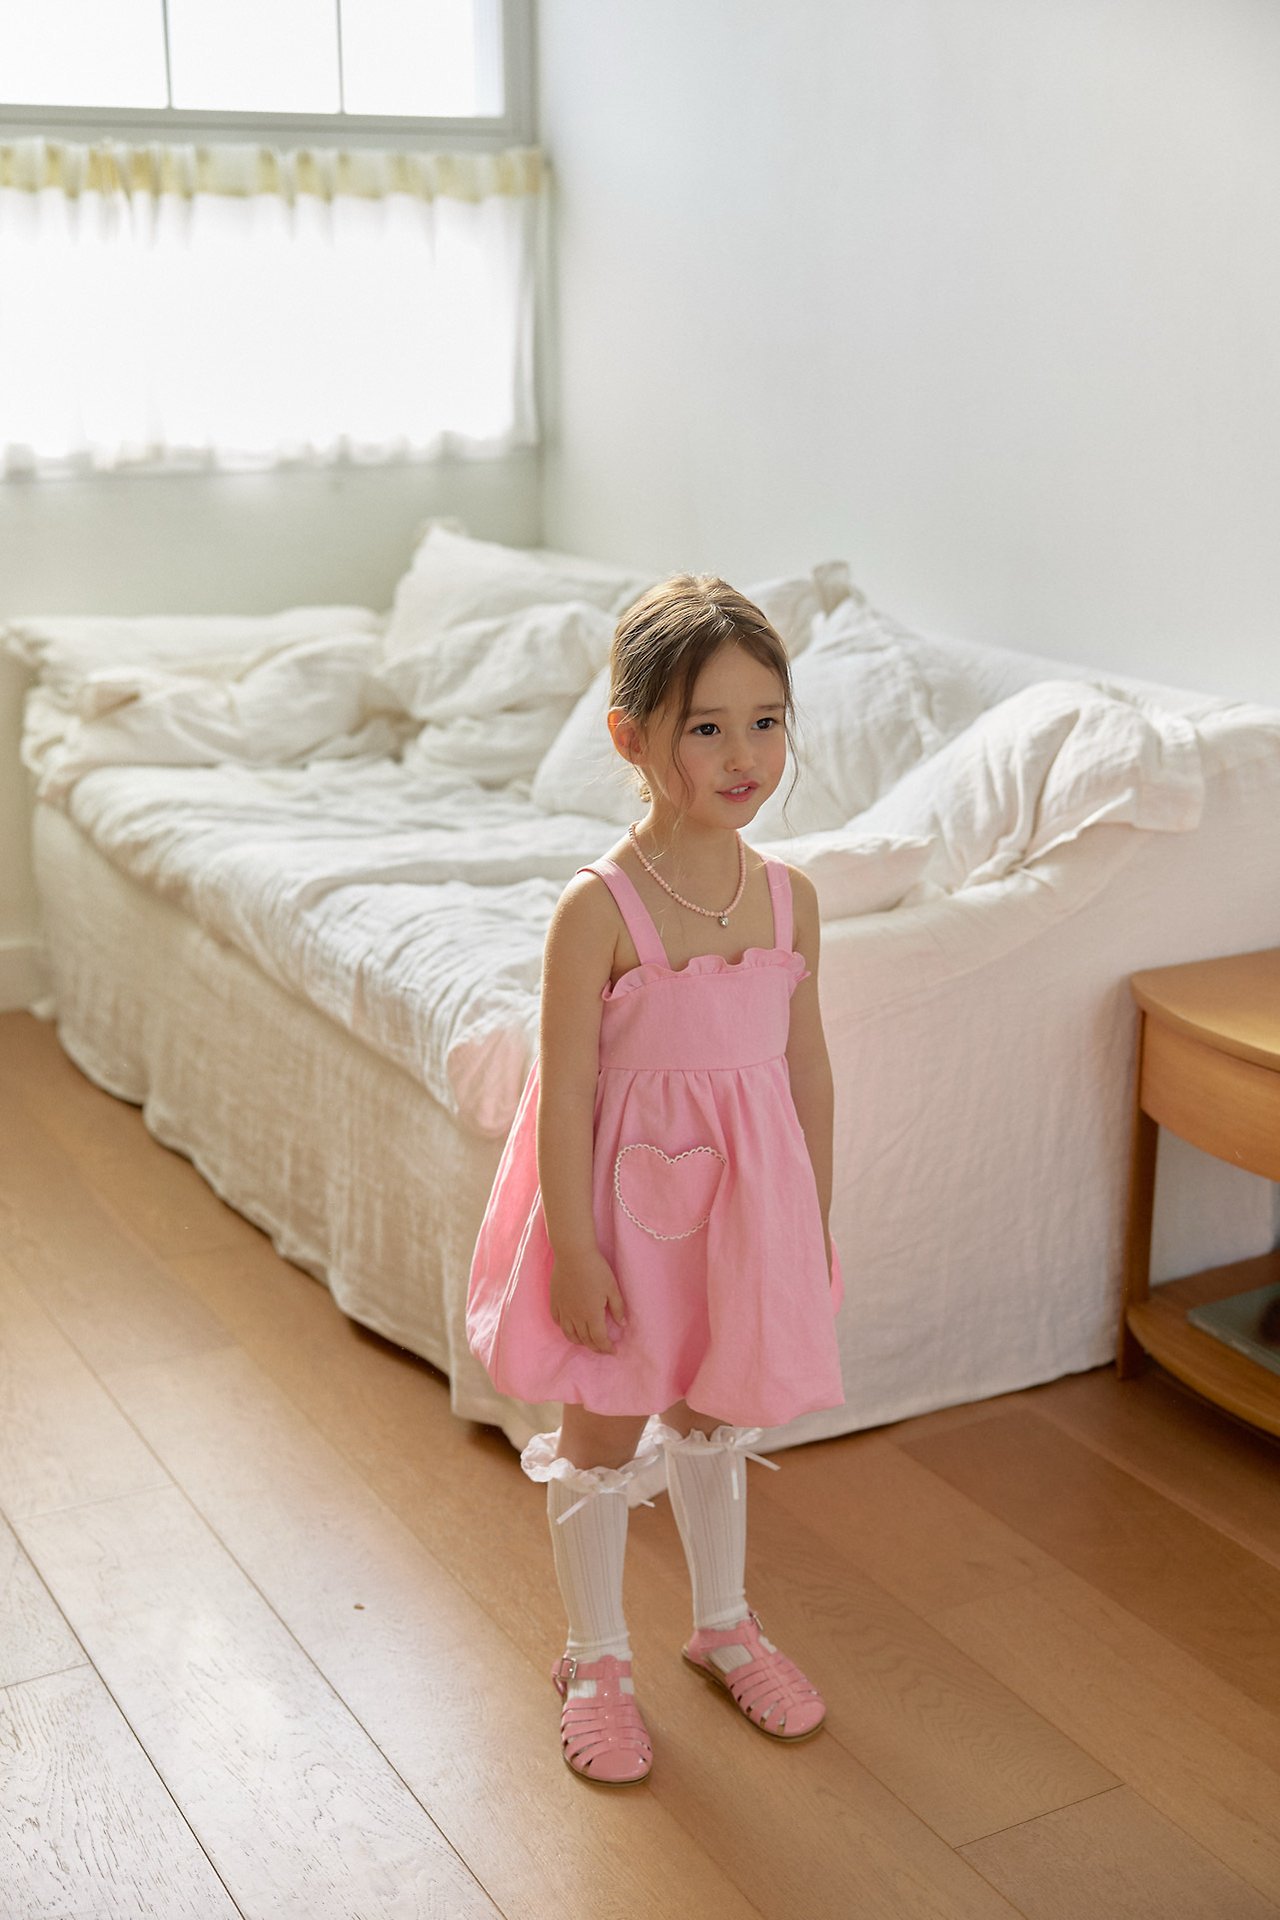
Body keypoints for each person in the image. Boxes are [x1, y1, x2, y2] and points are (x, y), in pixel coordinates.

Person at [466, 573, 845, 1785]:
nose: (744, 756)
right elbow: (564, 1095)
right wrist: (574, 1251)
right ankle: (593, 1658)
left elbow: (804, 1070)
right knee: (602, 1424)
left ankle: (722, 1625)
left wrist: (810, 1222)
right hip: (618, 1229)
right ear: (630, 738)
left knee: (713, 1413)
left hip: (741, 1222)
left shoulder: (788, 901)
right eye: (706, 727)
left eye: (766, 722)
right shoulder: (598, 911)